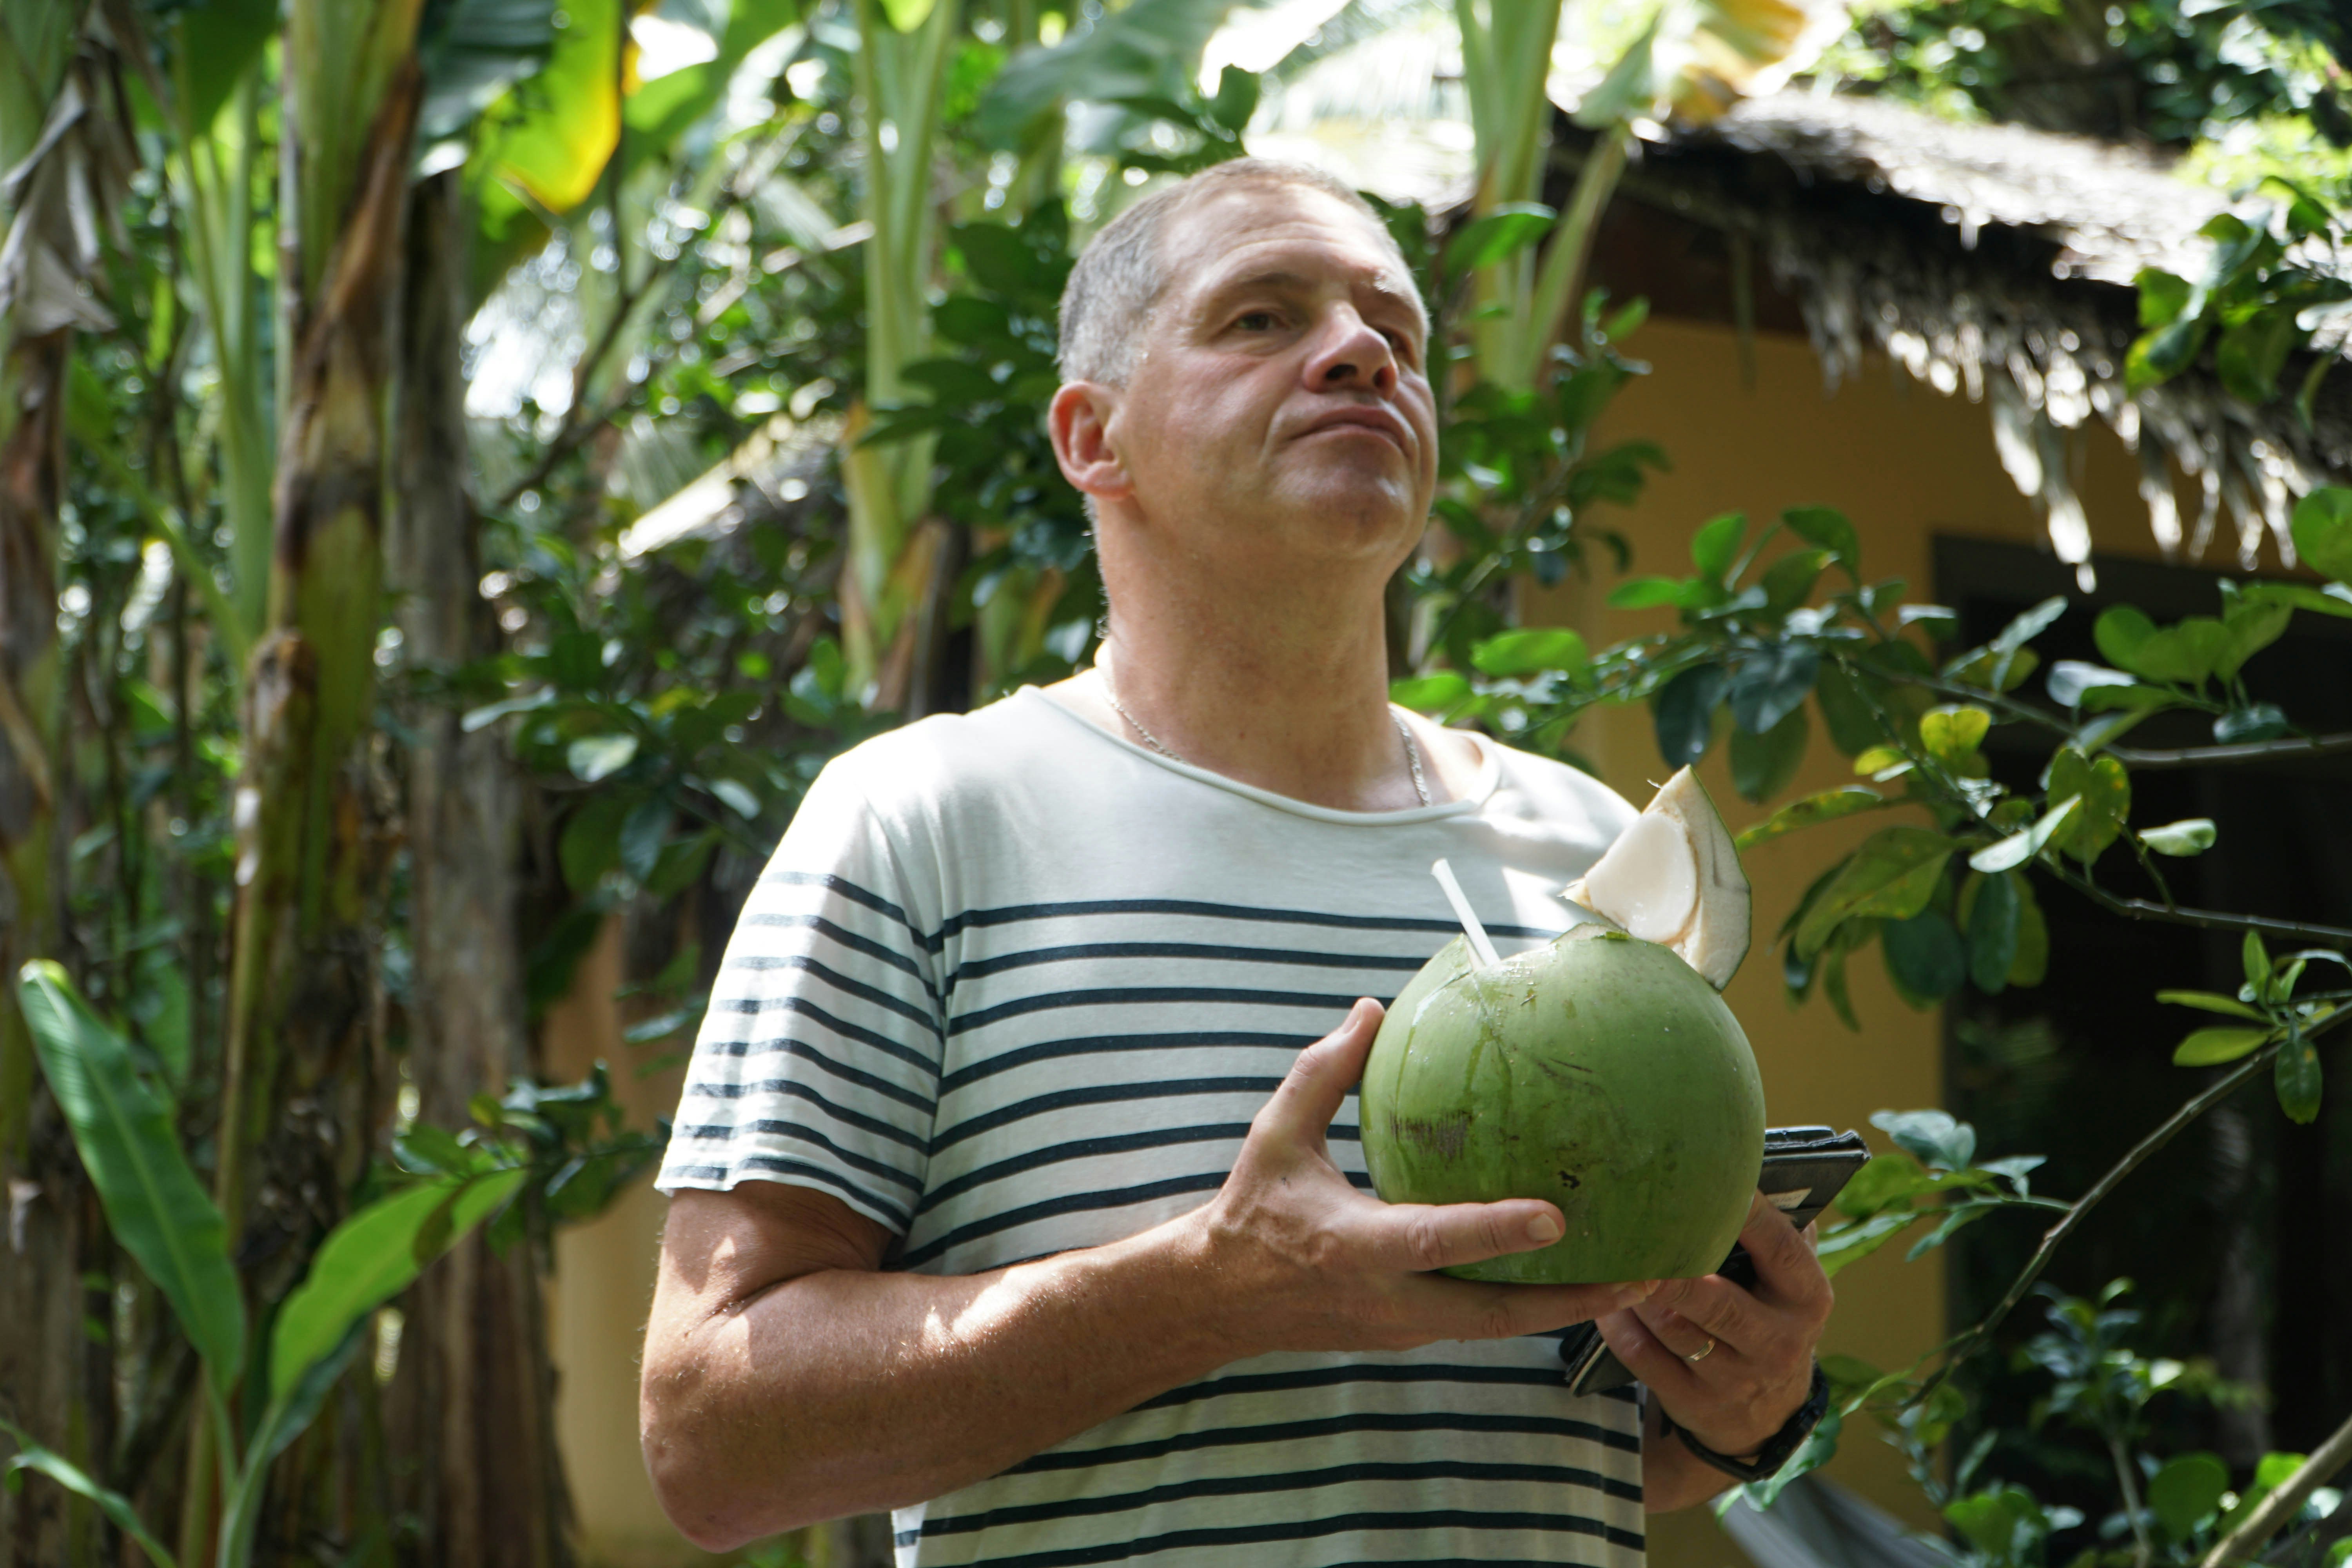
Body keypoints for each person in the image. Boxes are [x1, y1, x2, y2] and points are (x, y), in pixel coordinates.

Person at [638, 157, 1835, 1566]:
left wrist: (1745, 1405)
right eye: (1262, 318)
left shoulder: (1593, 856)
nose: (1360, 351)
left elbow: (1594, 1437)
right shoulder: (924, 823)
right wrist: (1221, 1289)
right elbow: (711, 1440)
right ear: (1096, 438)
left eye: (1393, 328)